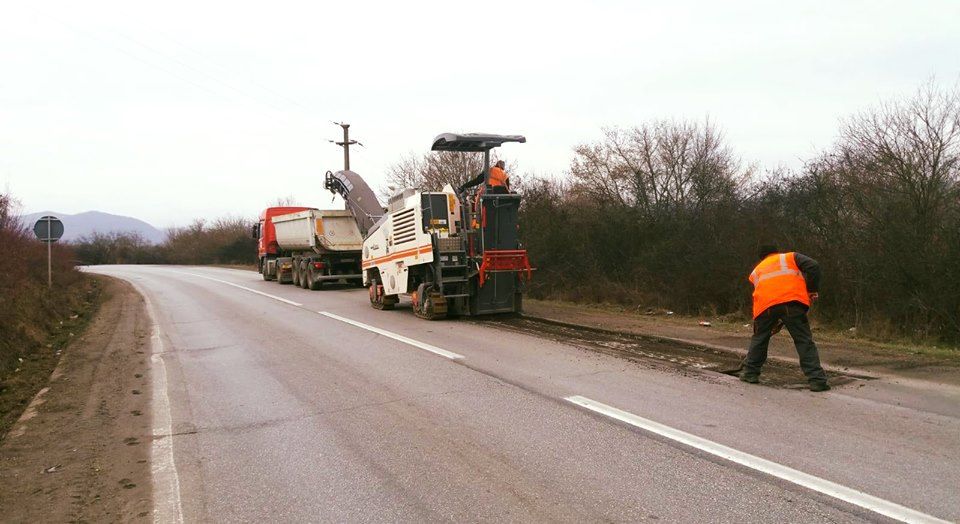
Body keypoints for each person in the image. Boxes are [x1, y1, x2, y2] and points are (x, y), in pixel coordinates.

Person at [741, 244, 830, 392]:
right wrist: (812, 290)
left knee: (760, 339)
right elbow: (813, 266)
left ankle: (750, 373)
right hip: (792, 304)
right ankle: (817, 381)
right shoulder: (789, 257)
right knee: (803, 341)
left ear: (762, 257)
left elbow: (764, 293)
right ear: (776, 252)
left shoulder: (756, 271)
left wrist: (768, 319)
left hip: (765, 308)